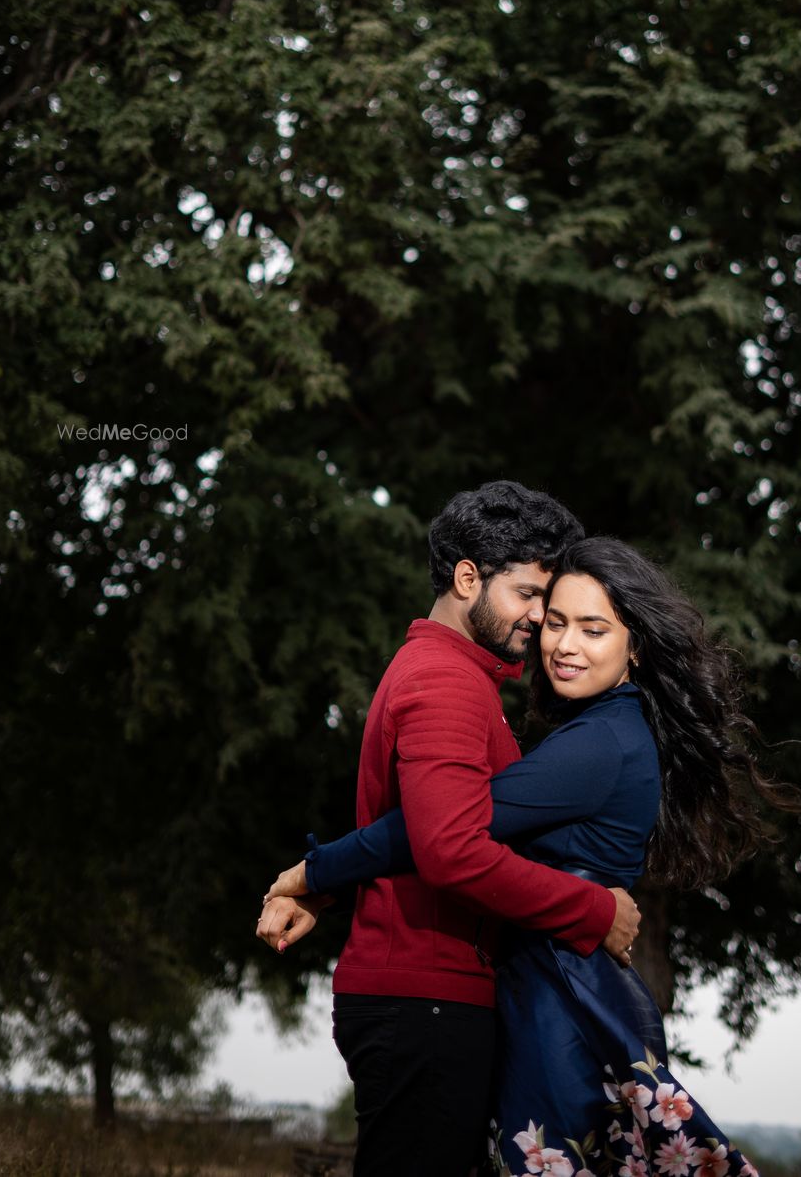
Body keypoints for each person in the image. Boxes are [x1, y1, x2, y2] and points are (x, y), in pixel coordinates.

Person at [262, 536, 801, 1177]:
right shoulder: (605, 730)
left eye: (593, 629)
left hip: (565, 1003)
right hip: (561, 988)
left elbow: (435, 832)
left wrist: (310, 872)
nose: (564, 645)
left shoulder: (600, 743)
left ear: (636, 644)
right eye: (555, 623)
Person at [257, 485, 641, 1177]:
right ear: (468, 578)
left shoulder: (452, 675)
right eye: (528, 595)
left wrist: (319, 882)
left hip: (426, 996)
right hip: (424, 1001)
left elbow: (419, 830)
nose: (539, 619)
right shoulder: (447, 684)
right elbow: (451, 850)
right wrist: (595, 910)